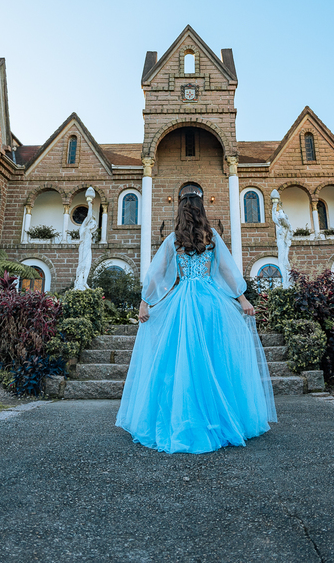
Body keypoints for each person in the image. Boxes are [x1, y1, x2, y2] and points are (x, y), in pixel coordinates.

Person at [116, 193, 277, 453]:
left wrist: (145, 302)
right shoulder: (210, 238)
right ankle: (214, 419)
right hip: (210, 302)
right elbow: (227, 271)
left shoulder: (174, 240)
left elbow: (156, 274)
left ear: (180, 213)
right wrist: (242, 299)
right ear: (202, 211)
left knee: (183, 359)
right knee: (213, 357)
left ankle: (187, 418)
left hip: (183, 302)